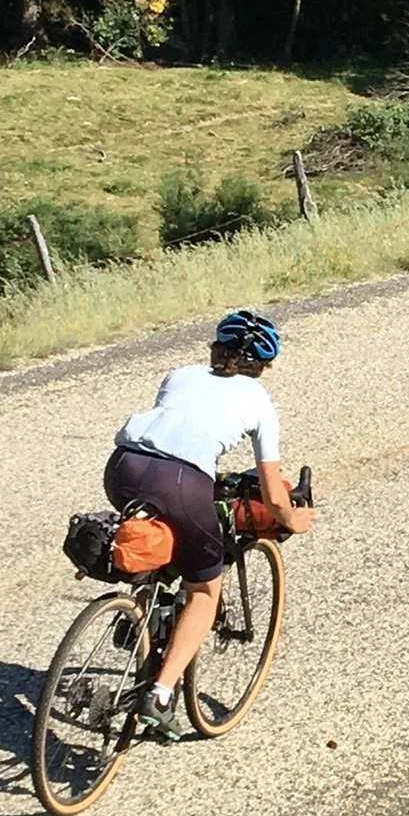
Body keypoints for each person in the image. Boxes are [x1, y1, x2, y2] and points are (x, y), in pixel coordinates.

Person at [104, 308, 315, 734]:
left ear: (216, 348)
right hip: (181, 481)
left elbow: (180, 428)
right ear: (262, 365)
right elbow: (274, 495)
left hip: (123, 467)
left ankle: (142, 620)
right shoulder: (259, 401)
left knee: (157, 545)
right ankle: (161, 694)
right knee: (204, 589)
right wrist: (293, 520)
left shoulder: (180, 374)